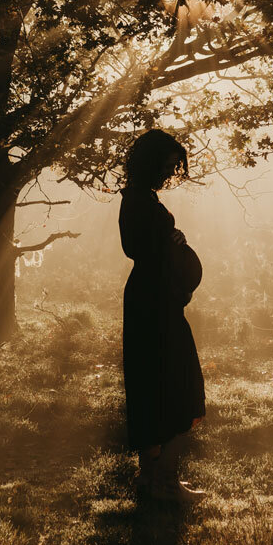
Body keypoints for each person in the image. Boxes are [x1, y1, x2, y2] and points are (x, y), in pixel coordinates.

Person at [119, 129, 206, 503]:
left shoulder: (138, 199)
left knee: (151, 385)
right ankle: (165, 481)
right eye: (168, 165)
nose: (171, 172)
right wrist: (173, 244)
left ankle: (149, 478)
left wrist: (175, 242)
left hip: (149, 300)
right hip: (156, 303)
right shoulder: (141, 202)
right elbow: (142, 249)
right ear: (151, 162)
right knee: (179, 387)